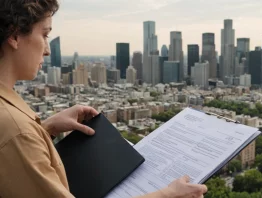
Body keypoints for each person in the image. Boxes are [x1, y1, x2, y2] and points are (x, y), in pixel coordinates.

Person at [0, 0, 207, 197]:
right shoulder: (16, 129)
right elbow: (15, 139)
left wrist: (46, 130)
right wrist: (167, 195)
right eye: (44, 35)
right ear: (15, 35)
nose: (47, 50)